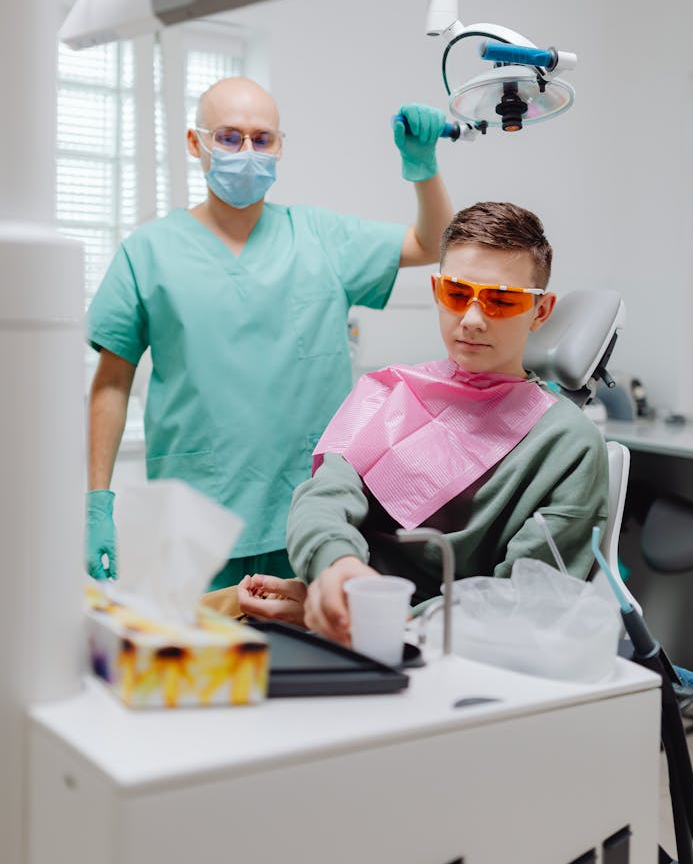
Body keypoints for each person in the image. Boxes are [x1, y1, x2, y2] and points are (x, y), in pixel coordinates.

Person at [85, 76, 453, 587]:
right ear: (197, 143)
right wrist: (98, 501)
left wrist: (423, 170)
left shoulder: (322, 237)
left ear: (281, 147)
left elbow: (436, 244)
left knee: (309, 657)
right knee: (200, 661)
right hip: (194, 517)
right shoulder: (147, 252)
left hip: (308, 514)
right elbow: (110, 382)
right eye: (229, 137)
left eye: (262, 139)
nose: (247, 152)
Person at [235, 200, 609, 644]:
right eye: (456, 294)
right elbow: (323, 500)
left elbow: (528, 597)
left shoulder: (567, 445)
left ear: (541, 312)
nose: (471, 320)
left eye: (501, 301)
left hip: (454, 653)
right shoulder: (392, 393)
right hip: (352, 627)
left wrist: (384, 616)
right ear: (436, 290)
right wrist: (336, 574)